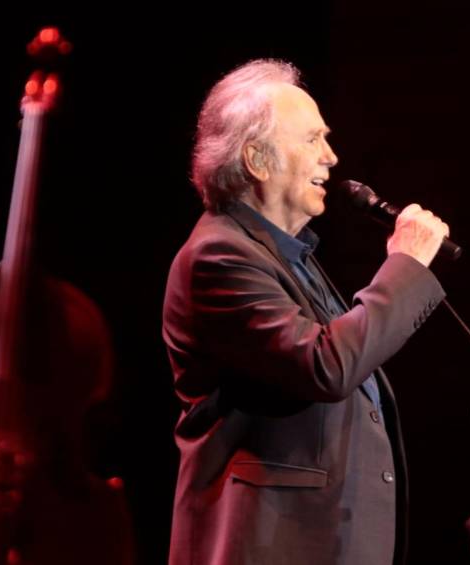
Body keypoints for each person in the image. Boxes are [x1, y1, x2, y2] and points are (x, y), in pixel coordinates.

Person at [163, 59, 449, 565]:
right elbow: (326, 365)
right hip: (270, 547)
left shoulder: (288, 257)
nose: (331, 157)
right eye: (313, 140)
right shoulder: (218, 256)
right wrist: (404, 266)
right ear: (257, 158)